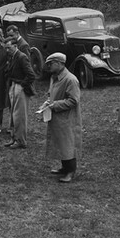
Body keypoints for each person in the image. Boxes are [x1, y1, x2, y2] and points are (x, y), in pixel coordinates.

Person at [38, 52, 83, 182]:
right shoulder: (54, 77)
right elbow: (50, 94)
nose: (48, 67)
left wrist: (54, 105)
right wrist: (47, 104)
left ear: (59, 63)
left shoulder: (70, 79)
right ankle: (64, 168)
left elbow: (74, 100)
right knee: (60, 143)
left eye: (50, 64)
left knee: (68, 143)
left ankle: (70, 171)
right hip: (57, 117)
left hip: (68, 118)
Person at [3, 35, 37, 149]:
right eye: (6, 48)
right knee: (13, 115)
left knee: (20, 116)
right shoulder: (12, 57)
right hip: (13, 86)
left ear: (15, 46)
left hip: (20, 88)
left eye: (9, 48)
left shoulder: (21, 57)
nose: (7, 50)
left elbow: (31, 75)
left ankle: (21, 141)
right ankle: (14, 138)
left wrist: (22, 85)